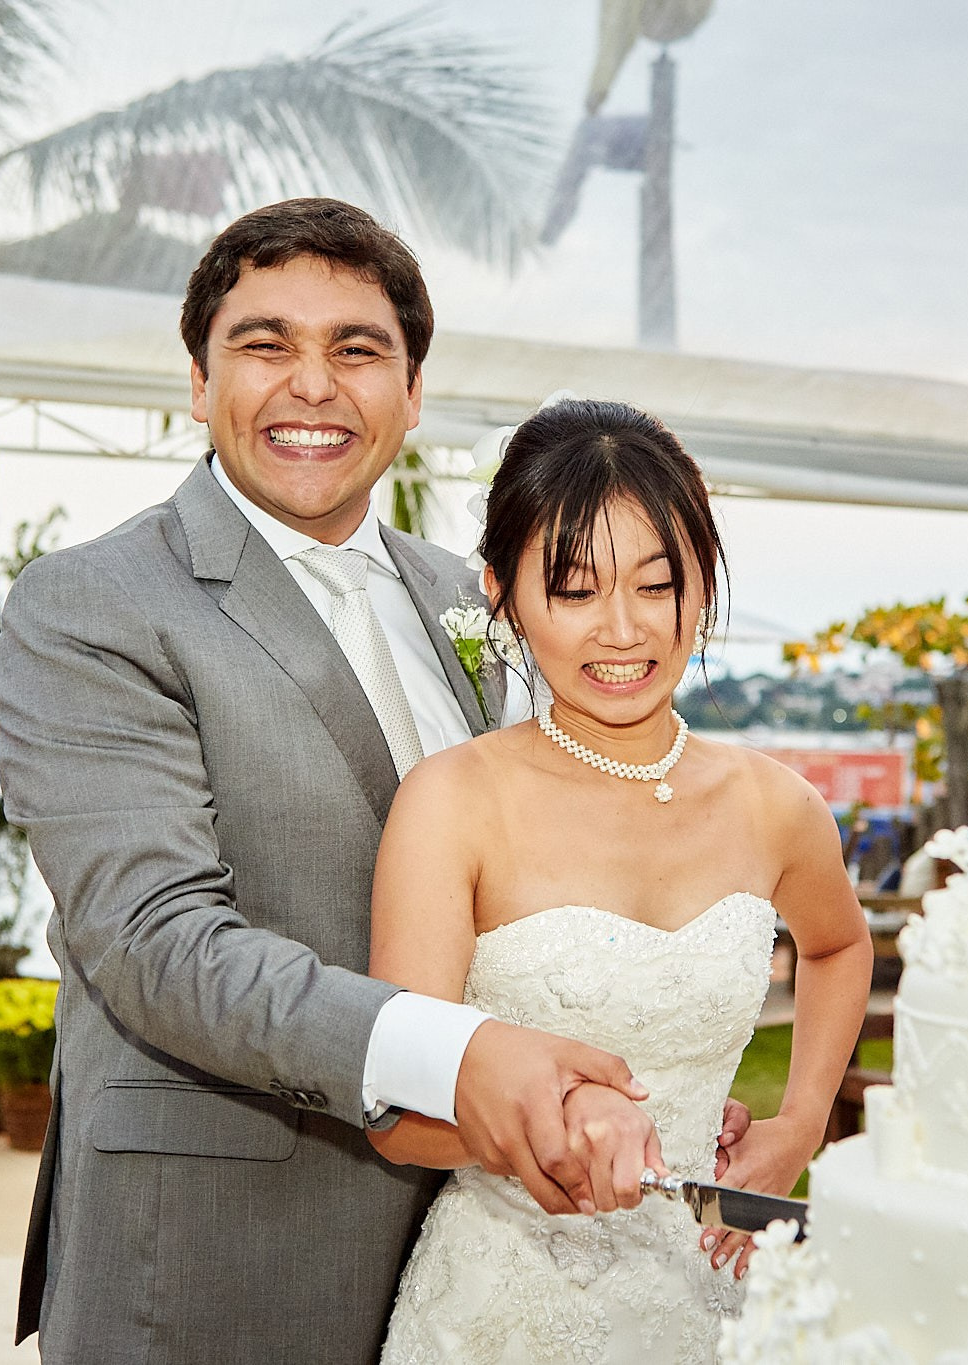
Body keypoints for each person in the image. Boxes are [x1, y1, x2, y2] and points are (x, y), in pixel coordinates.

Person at [0, 200, 742, 1365]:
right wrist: (454, 1060)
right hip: (216, 1259)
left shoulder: (479, 593)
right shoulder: (92, 604)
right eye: (263, 344)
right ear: (198, 382)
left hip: (473, 1255)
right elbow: (152, 941)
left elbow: (559, 849)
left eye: (355, 349)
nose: (312, 385)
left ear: (410, 390)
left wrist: (648, 1080)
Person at [373, 399, 874, 1363]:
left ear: (700, 589)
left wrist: (801, 1119)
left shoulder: (775, 804)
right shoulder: (453, 802)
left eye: (657, 583)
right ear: (502, 592)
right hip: (502, 1309)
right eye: (574, 589)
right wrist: (541, 1129)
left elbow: (839, 943)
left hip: (712, 1288)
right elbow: (397, 1113)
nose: (623, 629)